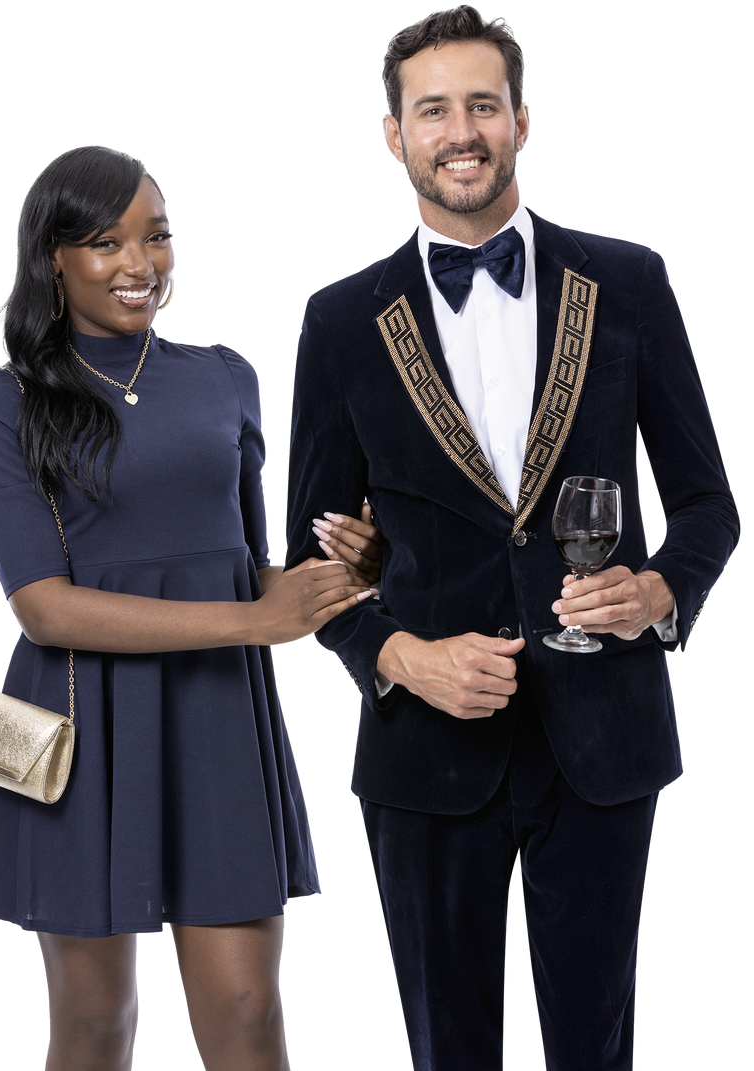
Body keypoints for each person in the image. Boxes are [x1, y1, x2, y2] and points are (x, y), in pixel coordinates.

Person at [285, 6, 742, 1070]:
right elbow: (312, 559)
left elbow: (710, 503)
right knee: (447, 1050)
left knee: (597, 1046)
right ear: (393, 134)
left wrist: (660, 591)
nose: (462, 132)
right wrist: (397, 653)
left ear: (524, 120)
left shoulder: (628, 280)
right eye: (432, 109)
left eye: (482, 105)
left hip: (607, 730)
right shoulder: (341, 317)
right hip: (426, 745)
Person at [0, 142, 383, 1071]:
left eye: (156, 236)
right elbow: (43, 608)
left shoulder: (226, 374)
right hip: (74, 725)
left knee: (247, 1018)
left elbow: (249, 570)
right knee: (93, 1021)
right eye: (107, 242)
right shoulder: (2, 398)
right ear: (54, 257)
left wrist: (348, 570)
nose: (139, 263)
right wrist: (253, 622)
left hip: (219, 719)